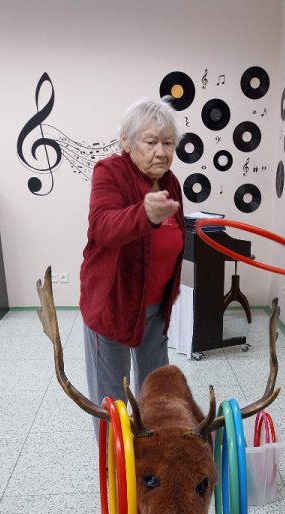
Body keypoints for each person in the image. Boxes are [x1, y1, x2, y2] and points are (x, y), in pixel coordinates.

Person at [79, 97, 185, 427]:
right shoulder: (109, 172)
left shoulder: (171, 182)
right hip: (113, 305)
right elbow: (102, 227)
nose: (161, 152)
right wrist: (145, 214)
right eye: (151, 142)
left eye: (168, 143)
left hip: (155, 309)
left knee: (158, 393)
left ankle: (151, 451)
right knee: (111, 402)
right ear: (126, 141)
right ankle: (113, 458)